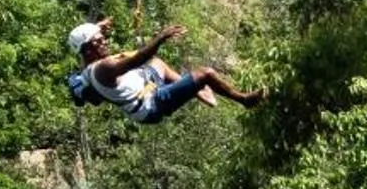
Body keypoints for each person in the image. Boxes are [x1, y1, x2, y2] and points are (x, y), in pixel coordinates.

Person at [67, 16, 265, 124]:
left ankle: (195, 89)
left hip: (146, 87)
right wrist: (161, 37)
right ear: (89, 48)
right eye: (100, 41)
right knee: (206, 73)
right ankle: (244, 100)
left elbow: (85, 49)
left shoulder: (88, 68)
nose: (105, 42)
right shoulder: (104, 68)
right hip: (150, 104)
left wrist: (97, 27)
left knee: (157, 63)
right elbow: (138, 59)